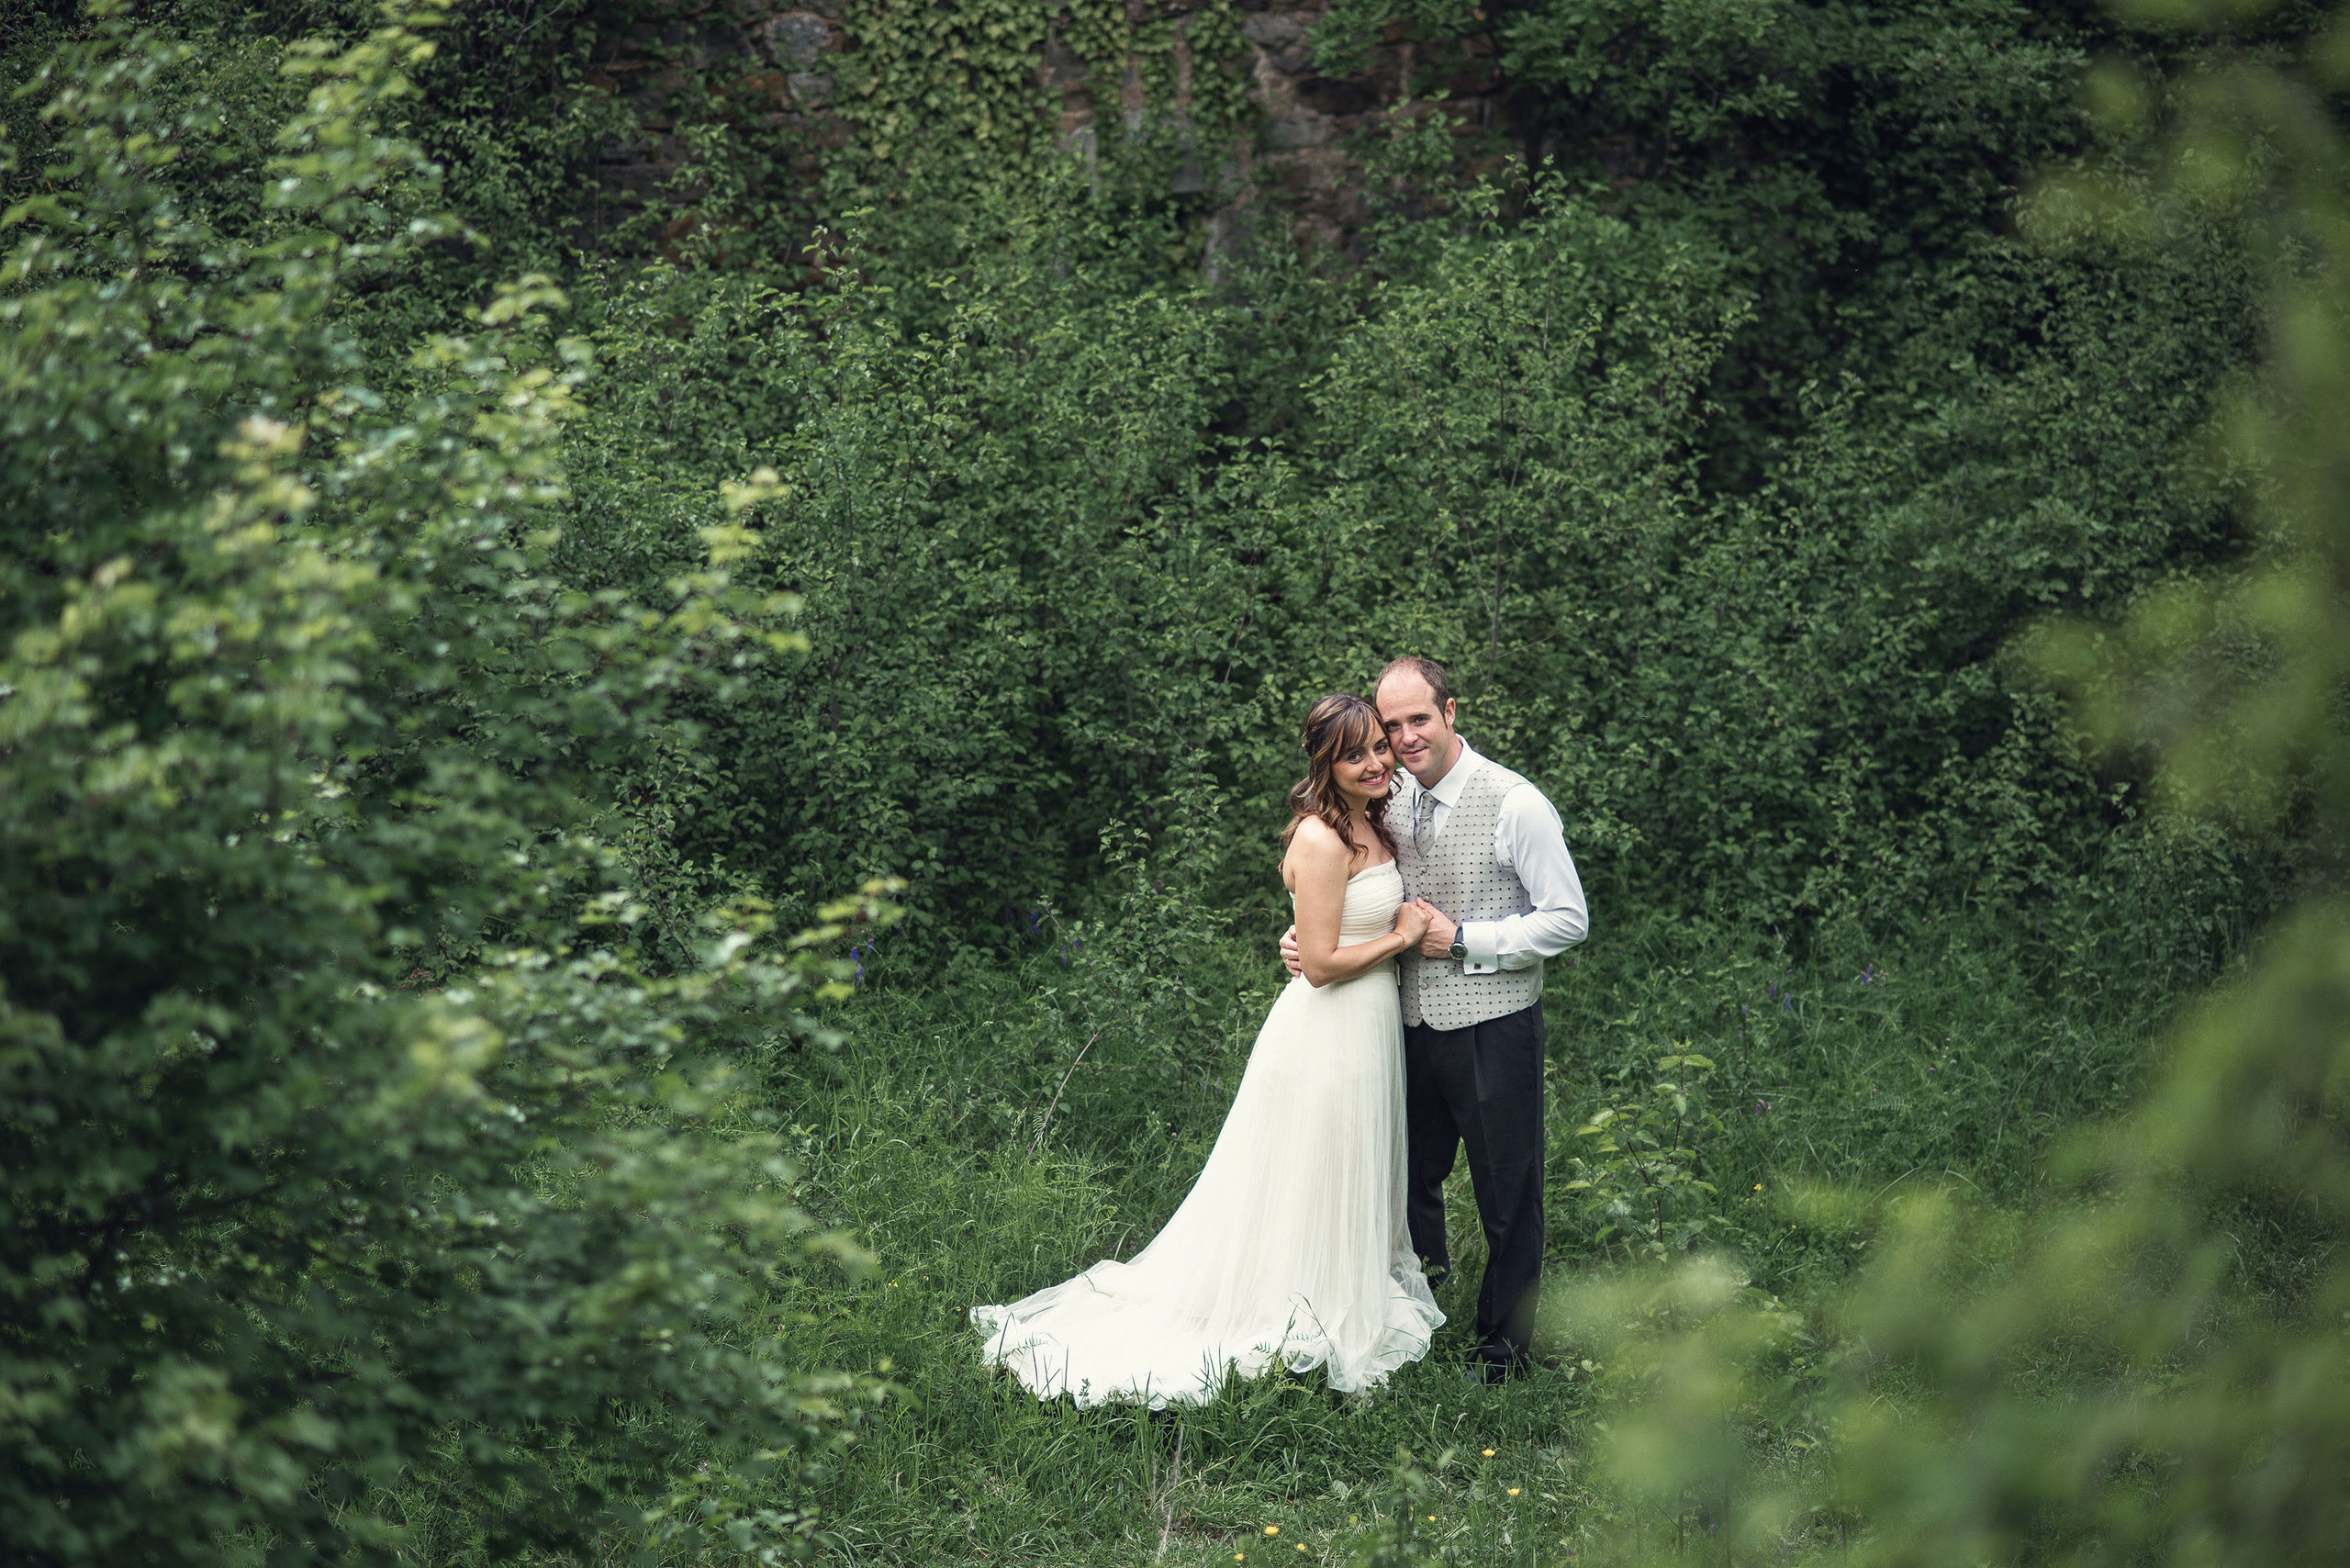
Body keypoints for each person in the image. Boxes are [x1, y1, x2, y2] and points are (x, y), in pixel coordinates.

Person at [971, 694, 1446, 1406]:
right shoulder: (1321, 839)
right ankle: (1296, 1306)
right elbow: (1319, 965)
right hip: (1329, 1033)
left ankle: (1337, 1288)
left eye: (1379, 746)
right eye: (1355, 755)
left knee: (1344, 1168)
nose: (1377, 762)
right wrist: (1401, 937)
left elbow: (1329, 931)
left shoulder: (1374, 820)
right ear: (1325, 764)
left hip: (1368, 1027)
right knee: (1315, 1169)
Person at [1281, 655, 1588, 1380]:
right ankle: (1419, 1309)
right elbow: (1344, 884)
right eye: (1391, 727)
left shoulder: (1516, 804)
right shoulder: (1385, 797)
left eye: (1418, 718)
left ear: (1450, 712)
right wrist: (1302, 937)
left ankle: (1503, 1352)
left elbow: (1568, 919)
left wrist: (1466, 940)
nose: (1404, 738)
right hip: (1398, 1027)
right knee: (1406, 1178)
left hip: (1493, 1026)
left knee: (1506, 1192)